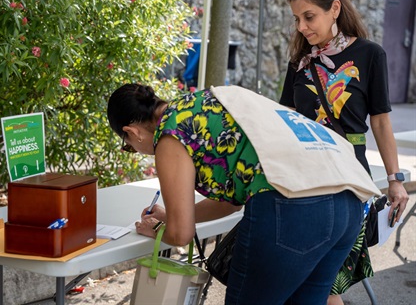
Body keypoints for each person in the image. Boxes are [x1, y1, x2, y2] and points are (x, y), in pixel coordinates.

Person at [107, 83, 381, 304]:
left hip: (294, 208)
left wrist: (156, 230)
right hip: (348, 200)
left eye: (129, 145)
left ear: (132, 132)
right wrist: (170, 217)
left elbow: (180, 235)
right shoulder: (209, 100)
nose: (137, 149)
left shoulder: (169, 135)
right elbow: (228, 204)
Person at [279, 0, 410, 304]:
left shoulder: (369, 55)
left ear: (335, 9)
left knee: (323, 285)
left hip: (347, 185)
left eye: (309, 17)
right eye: (297, 19)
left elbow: (380, 121)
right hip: (300, 183)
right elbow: (286, 117)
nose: (301, 27)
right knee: (302, 284)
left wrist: (395, 180)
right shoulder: (300, 60)